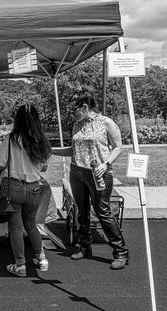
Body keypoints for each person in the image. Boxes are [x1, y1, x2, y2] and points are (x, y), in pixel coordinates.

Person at [53, 89, 129, 269]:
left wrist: (106, 164)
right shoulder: (77, 125)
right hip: (77, 172)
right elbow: (73, 151)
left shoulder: (106, 123)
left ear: (85, 106)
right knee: (81, 211)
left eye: (74, 109)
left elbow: (118, 147)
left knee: (102, 211)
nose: (72, 113)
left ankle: (121, 252)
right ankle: (84, 246)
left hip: (99, 173)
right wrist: (51, 151)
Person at [0, 104, 52, 277]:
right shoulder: (41, 141)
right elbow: (44, 168)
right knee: (31, 223)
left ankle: (20, 265)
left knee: (16, 227)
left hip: (14, 187)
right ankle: (41, 258)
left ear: (17, 120)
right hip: (34, 187)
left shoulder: (11, 139)